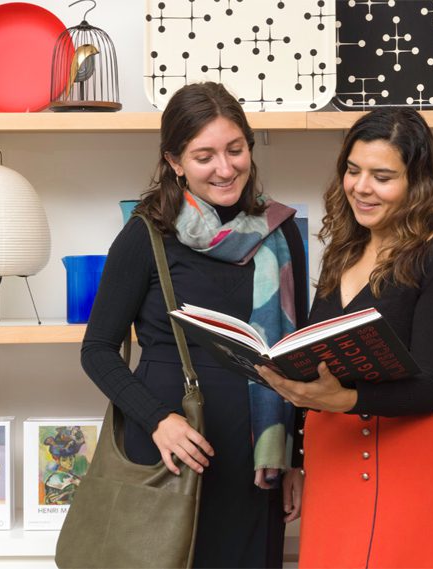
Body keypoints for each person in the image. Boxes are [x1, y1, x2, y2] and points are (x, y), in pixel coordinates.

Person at [81, 82, 306, 568]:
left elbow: (298, 355)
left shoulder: (282, 230)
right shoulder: (146, 233)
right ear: (175, 161)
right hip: (171, 451)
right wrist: (158, 421)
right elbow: (96, 349)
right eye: (204, 156)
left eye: (235, 149)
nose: (226, 169)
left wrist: (296, 459)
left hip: (257, 460)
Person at [255, 107, 433, 568]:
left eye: (382, 176)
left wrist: (343, 400)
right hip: (333, 457)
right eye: (353, 170)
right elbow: (317, 359)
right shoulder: (344, 250)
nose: (361, 187)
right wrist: (298, 456)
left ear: (418, 184)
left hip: (408, 458)